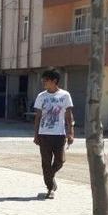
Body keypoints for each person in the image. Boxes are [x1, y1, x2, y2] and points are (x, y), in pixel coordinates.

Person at [33, 68, 75, 199]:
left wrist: (71, 132)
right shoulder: (41, 96)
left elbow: (68, 115)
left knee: (60, 161)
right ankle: (50, 188)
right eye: (43, 80)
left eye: (46, 80)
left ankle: (50, 177)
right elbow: (38, 116)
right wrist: (36, 135)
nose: (43, 83)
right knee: (45, 163)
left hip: (59, 134)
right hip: (44, 134)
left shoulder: (64, 95)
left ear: (54, 81)